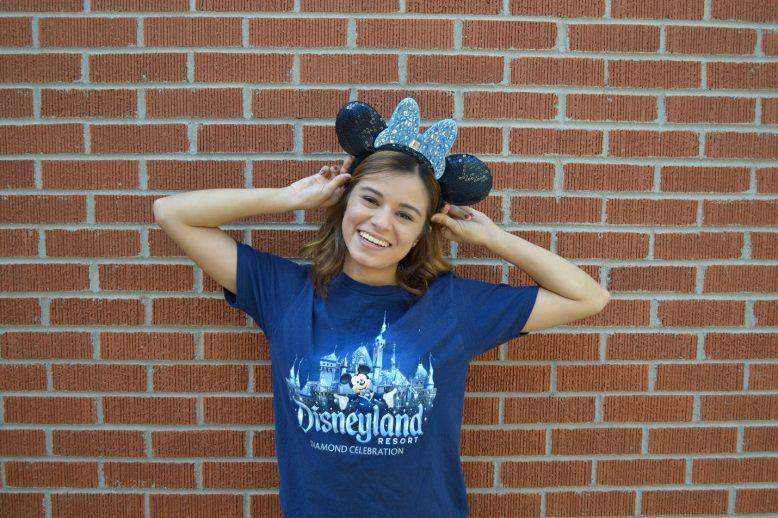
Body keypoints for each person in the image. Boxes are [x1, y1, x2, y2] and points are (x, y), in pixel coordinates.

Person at [153, 98, 610, 518]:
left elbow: (588, 297)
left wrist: (493, 239)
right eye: (370, 199)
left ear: (421, 233)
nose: (380, 222)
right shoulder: (285, 292)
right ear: (346, 199)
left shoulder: (453, 307)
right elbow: (172, 213)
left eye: (405, 214)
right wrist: (292, 198)